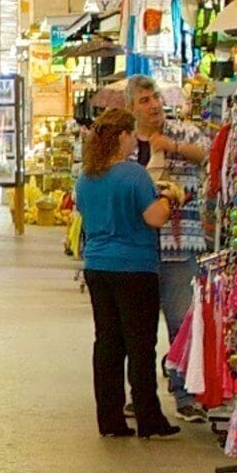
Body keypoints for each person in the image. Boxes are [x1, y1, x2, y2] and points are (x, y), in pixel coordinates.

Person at [74, 111, 179, 438]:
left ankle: (109, 418)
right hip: (134, 267)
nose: (135, 140)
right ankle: (149, 418)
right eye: (132, 134)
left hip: (98, 266)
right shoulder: (134, 175)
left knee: (107, 342)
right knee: (140, 344)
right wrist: (170, 197)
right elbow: (155, 218)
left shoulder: (86, 177)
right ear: (121, 136)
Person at [132, 84, 207, 425]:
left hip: (180, 245)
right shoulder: (126, 143)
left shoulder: (183, 131)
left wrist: (172, 147)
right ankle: (142, 395)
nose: (153, 106)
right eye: (144, 101)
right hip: (138, 247)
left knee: (182, 323)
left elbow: (207, 154)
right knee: (140, 329)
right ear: (131, 107)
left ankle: (185, 394)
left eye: (156, 98)